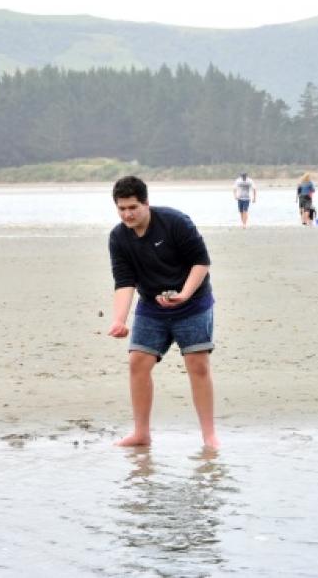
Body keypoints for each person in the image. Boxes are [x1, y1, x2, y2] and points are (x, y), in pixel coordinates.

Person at [107, 176, 219, 450]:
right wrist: (119, 320)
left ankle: (209, 437)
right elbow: (124, 282)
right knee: (137, 363)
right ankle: (141, 433)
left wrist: (184, 294)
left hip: (193, 303)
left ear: (146, 203)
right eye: (121, 209)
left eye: (133, 207)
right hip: (151, 307)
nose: (127, 214)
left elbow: (201, 262)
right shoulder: (119, 237)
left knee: (197, 365)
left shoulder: (175, 222)